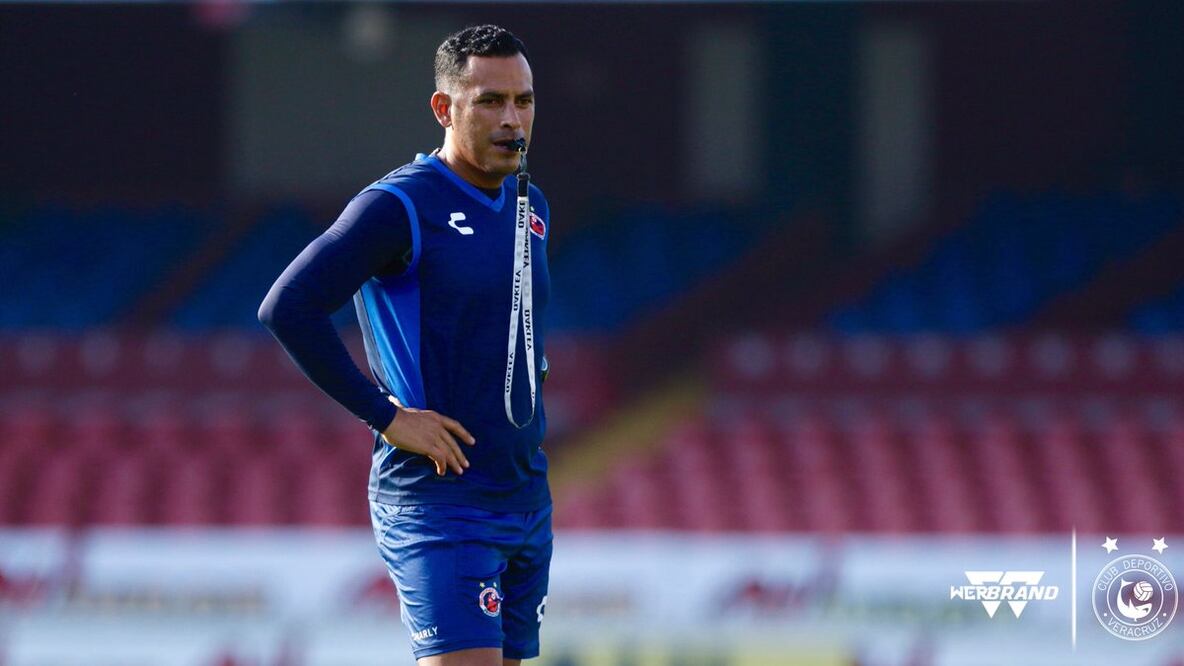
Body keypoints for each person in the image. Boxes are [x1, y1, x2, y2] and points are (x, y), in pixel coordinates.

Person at [258, 25, 552, 666]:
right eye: (491, 101)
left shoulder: (532, 207)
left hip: (525, 496)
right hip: (441, 501)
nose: (512, 119)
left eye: (524, 101)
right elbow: (288, 306)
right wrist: (386, 416)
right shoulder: (398, 207)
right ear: (445, 108)